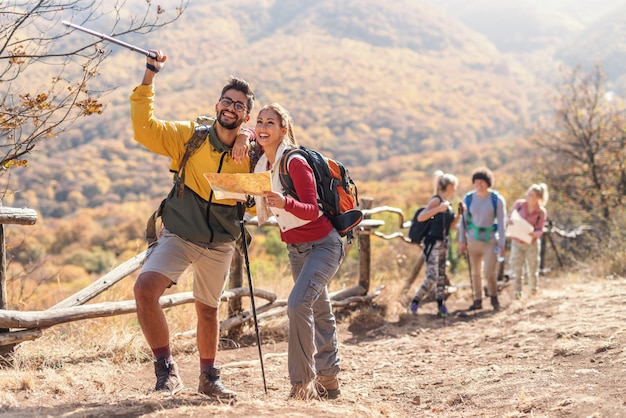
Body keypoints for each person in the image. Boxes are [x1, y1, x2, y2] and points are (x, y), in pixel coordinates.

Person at [130, 49, 255, 399]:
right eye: (226, 101)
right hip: (180, 233)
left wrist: (249, 141)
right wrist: (149, 77)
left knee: (208, 311)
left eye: (239, 105)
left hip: (220, 243)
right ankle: (166, 369)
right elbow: (145, 129)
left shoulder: (252, 154)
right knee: (144, 290)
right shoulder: (191, 136)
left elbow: (263, 191)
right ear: (217, 106)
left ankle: (208, 378)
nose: (231, 107)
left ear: (246, 116)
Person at [253, 103, 343, 400]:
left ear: (283, 129)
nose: (263, 127)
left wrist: (284, 203)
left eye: (271, 122)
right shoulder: (262, 165)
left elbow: (312, 209)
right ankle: (329, 379)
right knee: (319, 308)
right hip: (297, 250)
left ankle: (301, 383)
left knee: (296, 305)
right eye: (260, 122)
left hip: (323, 245)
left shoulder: (294, 161)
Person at [409, 171, 460, 317]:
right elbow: (421, 217)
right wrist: (439, 208)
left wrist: (459, 215)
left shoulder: (447, 203)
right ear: (449, 186)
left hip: (443, 243)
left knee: (441, 276)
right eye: (454, 186)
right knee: (432, 276)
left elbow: (449, 227)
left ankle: (440, 306)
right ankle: (414, 302)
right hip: (432, 243)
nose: (455, 189)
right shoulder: (437, 200)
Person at [458, 167, 507, 311]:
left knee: (489, 272)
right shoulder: (468, 198)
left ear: (488, 182)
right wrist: (462, 240)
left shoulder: (496, 199)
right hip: (473, 240)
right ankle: (477, 300)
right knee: (475, 272)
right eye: (476, 182)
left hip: (490, 240)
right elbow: (463, 221)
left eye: (482, 181)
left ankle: (493, 298)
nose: (479, 184)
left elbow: (502, 223)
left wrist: (502, 244)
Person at [507, 183, 548, 299]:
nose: (530, 197)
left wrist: (535, 233)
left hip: (531, 243)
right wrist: (509, 221)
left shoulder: (541, 212)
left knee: (532, 267)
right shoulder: (519, 205)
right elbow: (509, 217)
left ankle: (533, 290)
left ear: (539, 198)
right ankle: (517, 293)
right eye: (529, 194)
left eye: (533, 196)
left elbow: (540, 229)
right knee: (517, 268)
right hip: (517, 241)